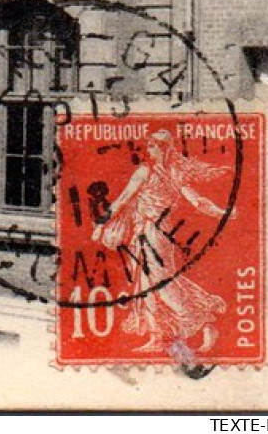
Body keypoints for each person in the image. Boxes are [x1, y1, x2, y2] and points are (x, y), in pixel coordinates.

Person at [91, 130, 228, 359]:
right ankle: (157, 336)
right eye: (149, 145)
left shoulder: (152, 172)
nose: (150, 150)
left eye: (153, 146)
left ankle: (196, 317)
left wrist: (100, 225)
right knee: (146, 285)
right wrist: (221, 212)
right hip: (144, 232)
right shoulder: (167, 173)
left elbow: (122, 201)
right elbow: (197, 201)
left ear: (163, 149)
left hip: (155, 233)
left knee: (162, 284)